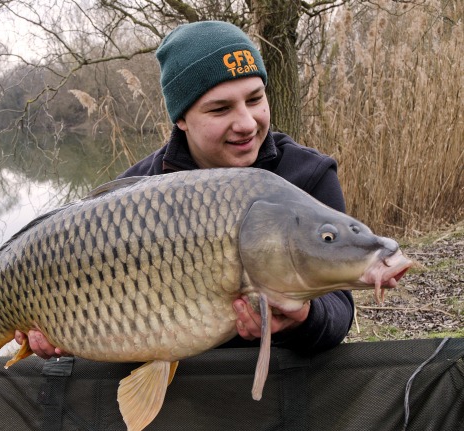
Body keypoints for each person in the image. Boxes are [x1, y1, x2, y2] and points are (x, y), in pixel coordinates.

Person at [18, 20, 354, 359]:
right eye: (220, 108)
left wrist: (303, 319)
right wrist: (67, 336)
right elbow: (98, 308)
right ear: (181, 118)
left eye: (255, 99)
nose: (247, 123)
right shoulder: (134, 198)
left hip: (279, 386)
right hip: (175, 388)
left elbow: (339, 309)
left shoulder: (307, 176)